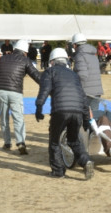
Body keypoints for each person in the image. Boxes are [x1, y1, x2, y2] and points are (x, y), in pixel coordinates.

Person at [34, 48, 94, 179]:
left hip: (60, 111)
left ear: (52, 62)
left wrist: (39, 107)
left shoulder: (49, 72)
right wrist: (86, 119)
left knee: (54, 142)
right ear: (66, 61)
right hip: (77, 111)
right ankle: (86, 161)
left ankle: (58, 171)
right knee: (74, 141)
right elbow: (83, 98)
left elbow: (44, 91)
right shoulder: (74, 75)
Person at [0, 39, 41, 154]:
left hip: (0, 91)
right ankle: (21, 142)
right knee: (18, 118)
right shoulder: (25, 60)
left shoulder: (2, 58)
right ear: (25, 51)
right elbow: (36, 76)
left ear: (14, 49)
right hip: (16, 92)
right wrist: (48, 85)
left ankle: (7, 143)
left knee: (3, 118)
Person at [71, 32, 104, 112]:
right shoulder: (93, 55)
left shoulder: (80, 56)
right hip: (97, 90)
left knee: (83, 117)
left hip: (86, 92)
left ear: (75, 45)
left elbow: (82, 75)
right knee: (94, 116)